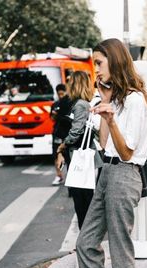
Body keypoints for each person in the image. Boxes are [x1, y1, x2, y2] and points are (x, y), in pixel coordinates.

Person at [69, 38, 147, 268]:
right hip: (106, 171)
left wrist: (111, 118)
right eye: (94, 63)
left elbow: (128, 151)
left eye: (99, 63)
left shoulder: (133, 101)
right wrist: (106, 108)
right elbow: (105, 145)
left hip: (125, 174)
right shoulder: (116, 99)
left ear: (115, 62)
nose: (96, 69)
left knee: (120, 247)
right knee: (86, 242)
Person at [56, 71, 95, 230]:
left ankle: (85, 237)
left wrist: (63, 145)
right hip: (81, 153)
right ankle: (86, 236)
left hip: (79, 154)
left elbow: (77, 130)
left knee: (82, 199)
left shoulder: (80, 104)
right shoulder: (83, 103)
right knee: (83, 197)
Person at [51, 84, 73, 186]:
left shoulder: (69, 103)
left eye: (62, 93)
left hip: (67, 133)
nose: (60, 96)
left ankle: (70, 176)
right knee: (56, 155)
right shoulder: (55, 104)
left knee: (69, 157)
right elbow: (52, 118)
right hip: (57, 133)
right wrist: (54, 115)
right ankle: (59, 176)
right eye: (58, 94)